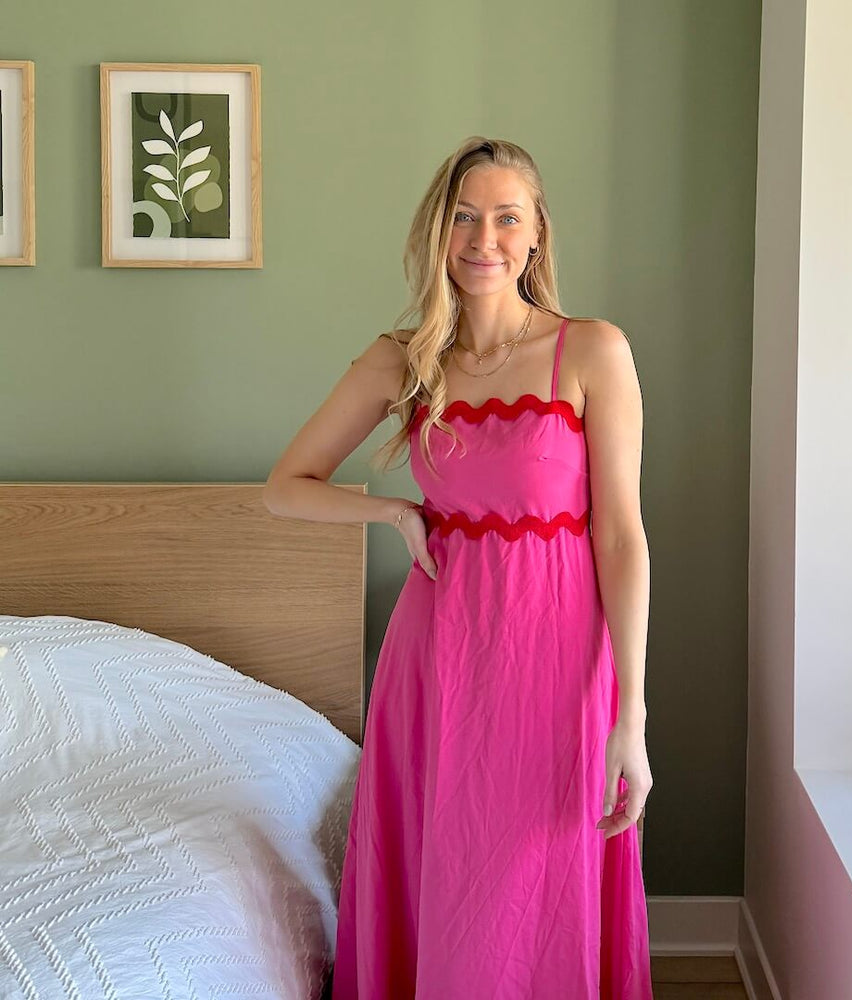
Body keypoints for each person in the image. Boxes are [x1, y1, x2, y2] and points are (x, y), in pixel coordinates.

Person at [264, 136, 654, 999]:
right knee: (449, 876)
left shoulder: (592, 351)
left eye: (507, 218)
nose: (486, 239)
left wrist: (631, 714)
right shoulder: (403, 360)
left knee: (537, 881)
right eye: (465, 217)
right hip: (440, 655)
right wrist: (393, 512)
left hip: (556, 659)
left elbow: (621, 538)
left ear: (537, 234)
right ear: (439, 233)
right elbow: (285, 488)